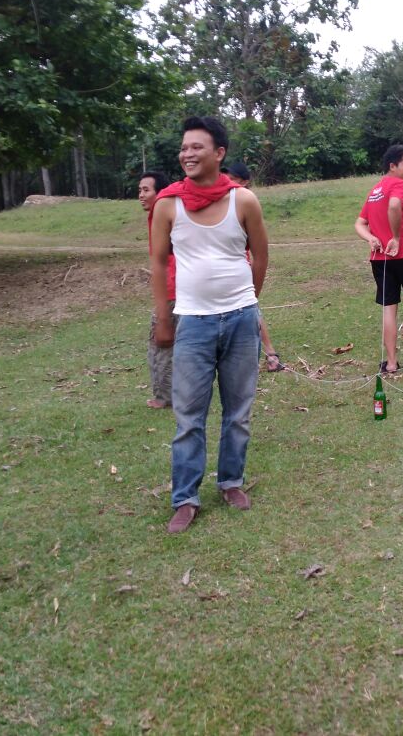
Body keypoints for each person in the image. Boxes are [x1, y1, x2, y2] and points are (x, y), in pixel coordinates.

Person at [150, 116, 269, 534]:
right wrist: (164, 318)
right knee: (189, 417)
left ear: (219, 153)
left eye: (196, 147)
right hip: (193, 323)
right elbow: (158, 263)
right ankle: (185, 498)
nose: (187, 154)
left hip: (241, 321)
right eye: (184, 147)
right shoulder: (168, 204)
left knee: (238, 412)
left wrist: (248, 300)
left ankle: (231, 482)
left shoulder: (244, 201)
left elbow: (261, 255)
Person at [354, 144, 403, 374]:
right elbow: (394, 205)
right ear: (393, 166)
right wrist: (396, 237)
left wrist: (371, 238)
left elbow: (359, 224)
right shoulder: (397, 184)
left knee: (389, 308)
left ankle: (390, 363)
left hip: (379, 259)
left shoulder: (375, 190)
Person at [223, 161, 285, 372]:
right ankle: (269, 354)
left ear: (244, 182)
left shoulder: (246, 204)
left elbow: (259, 250)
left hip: (239, 269)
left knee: (250, 307)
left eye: (232, 179)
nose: (226, 183)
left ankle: (270, 354)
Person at [139, 170, 173, 408]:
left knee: (161, 344)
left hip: (172, 290)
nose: (141, 195)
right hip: (178, 289)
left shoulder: (162, 213)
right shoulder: (167, 212)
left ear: (159, 193)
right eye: (139, 190)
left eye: (146, 190)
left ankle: (164, 397)